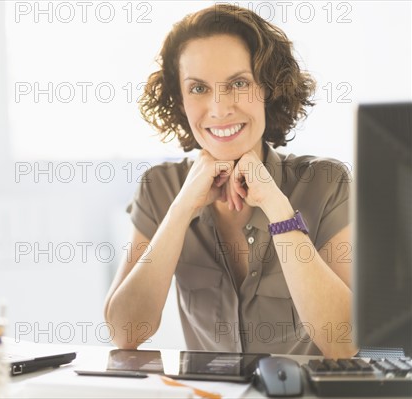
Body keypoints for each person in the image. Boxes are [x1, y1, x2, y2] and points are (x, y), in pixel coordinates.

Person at [103, 4, 357, 358]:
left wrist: (277, 207)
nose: (220, 108)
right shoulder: (158, 187)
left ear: (267, 89)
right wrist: (180, 210)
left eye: (238, 83)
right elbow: (125, 332)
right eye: (198, 88)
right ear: (180, 99)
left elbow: (344, 342)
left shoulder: (326, 182)